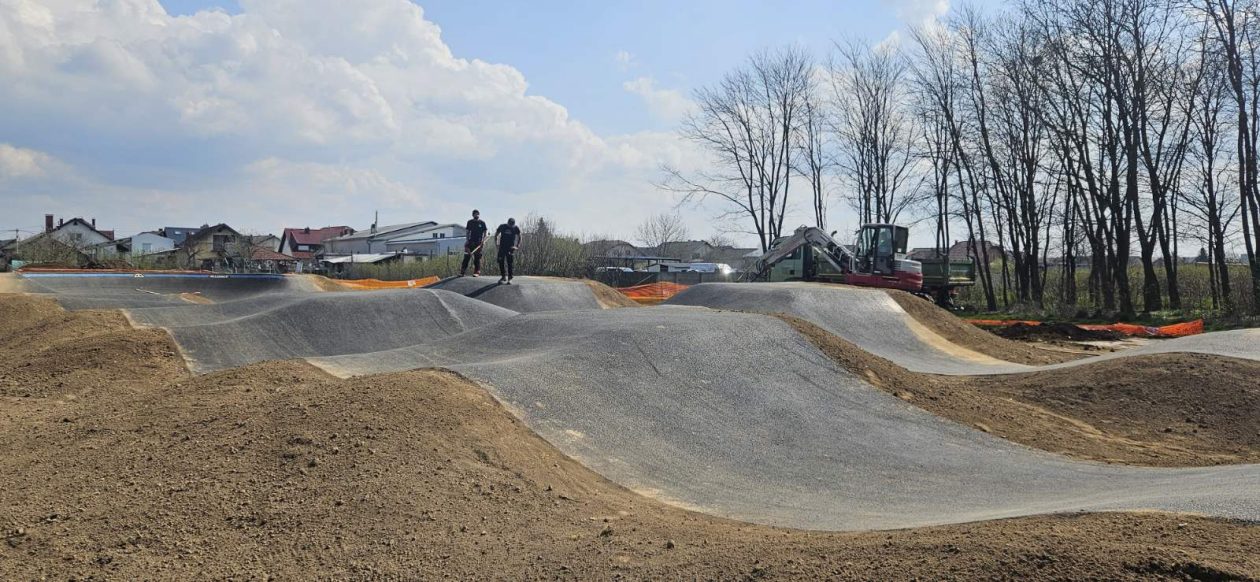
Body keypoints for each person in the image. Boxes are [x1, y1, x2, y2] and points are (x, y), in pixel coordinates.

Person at [460, 209, 488, 276]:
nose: (477, 215)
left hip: (478, 243)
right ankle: (462, 272)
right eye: (475, 214)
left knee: (477, 258)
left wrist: (483, 241)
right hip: (470, 242)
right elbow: (467, 232)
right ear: (473, 215)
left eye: (478, 214)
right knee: (466, 257)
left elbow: (485, 232)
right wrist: (467, 240)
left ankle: (477, 272)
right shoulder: (470, 222)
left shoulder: (482, 223)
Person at [494, 217, 522, 284]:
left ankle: (510, 278)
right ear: (507, 223)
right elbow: (496, 235)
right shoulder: (502, 226)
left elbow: (520, 236)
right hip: (502, 247)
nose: (511, 226)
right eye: (510, 225)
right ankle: (503, 277)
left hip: (510, 248)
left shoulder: (516, 228)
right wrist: (496, 244)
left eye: (512, 225)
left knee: (510, 263)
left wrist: (517, 246)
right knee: (501, 262)